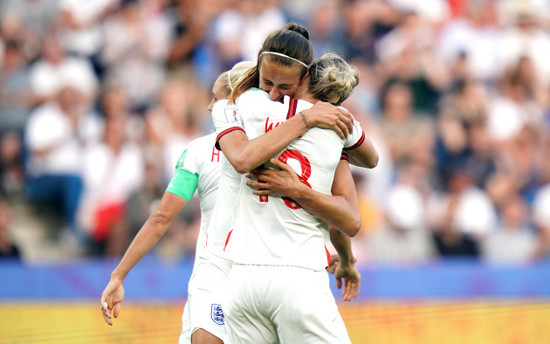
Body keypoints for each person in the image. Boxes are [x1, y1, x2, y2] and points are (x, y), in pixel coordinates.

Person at [210, 25, 378, 343]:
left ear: (303, 79)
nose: (274, 92)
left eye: (282, 85)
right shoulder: (336, 125)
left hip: (242, 281)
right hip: (298, 278)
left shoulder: (240, 108)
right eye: (268, 83)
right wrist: (347, 259)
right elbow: (356, 199)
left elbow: (223, 95)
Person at [99, 62, 253, 344]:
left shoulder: (199, 151)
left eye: (216, 99)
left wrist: (119, 275)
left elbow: (161, 217)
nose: (209, 108)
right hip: (256, 278)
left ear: (235, 105)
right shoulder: (276, 148)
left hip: (217, 275)